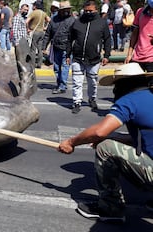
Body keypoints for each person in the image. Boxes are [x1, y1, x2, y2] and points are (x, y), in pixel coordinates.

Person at [59, 62, 153, 223]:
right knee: (112, 139)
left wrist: (72, 142)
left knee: (105, 148)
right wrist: (112, 137)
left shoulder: (130, 100)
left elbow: (99, 131)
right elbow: (139, 139)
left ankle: (111, 208)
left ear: (122, 84)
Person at [67, 0, 111, 114]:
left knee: (92, 81)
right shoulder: (77, 22)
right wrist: (67, 54)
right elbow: (70, 39)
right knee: (77, 82)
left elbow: (107, 39)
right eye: (86, 11)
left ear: (96, 10)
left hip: (94, 59)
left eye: (90, 11)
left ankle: (92, 99)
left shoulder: (102, 23)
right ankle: (76, 102)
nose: (88, 13)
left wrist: (107, 55)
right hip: (77, 58)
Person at [42, 1, 75, 94]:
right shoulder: (54, 20)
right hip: (56, 47)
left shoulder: (73, 20)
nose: (66, 11)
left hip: (67, 48)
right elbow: (48, 34)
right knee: (56, 67)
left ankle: (62, 86)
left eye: (68, 9)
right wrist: (44, 46)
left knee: (65, 67)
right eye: (64, 9)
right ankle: (59, 83)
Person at [125, 0, 153, 72]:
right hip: (137, 58)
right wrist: (129, 54)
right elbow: (134, 34)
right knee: (136, 85)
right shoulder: (140, 12)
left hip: (152, 60)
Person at [26, 0, 51, 68]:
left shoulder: (34, 13)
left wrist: (28, 28)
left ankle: (33, 63)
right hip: (42, 32)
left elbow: (27, 21)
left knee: (33, 48)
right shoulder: (44, 13)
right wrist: (45, 27)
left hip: (35, 32)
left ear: (35, 6)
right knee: (40, 49)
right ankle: (39, 64)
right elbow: (49, 20)